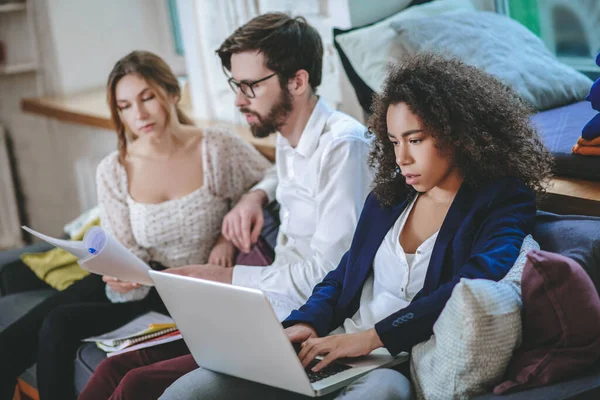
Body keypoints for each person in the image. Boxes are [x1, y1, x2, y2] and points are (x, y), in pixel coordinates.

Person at [159, 53, 553, 399]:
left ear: (458, 135)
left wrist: (369, 339)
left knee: (381, 393)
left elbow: (469, 285)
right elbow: (343, 274)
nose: (402, 158)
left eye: (415, 140)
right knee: (193, 389)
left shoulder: (501, 200)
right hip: (334, 343)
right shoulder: (390, 197)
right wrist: (305, 322)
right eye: (395, 141)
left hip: (391, 363)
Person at [79, 13, 374, 400]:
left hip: (309, 321)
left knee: (137, 383)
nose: (238, 100)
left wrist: (223, 277)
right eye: (236, 85)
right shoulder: (288, 138)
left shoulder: (343, 147)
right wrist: (256, 197)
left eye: (250, 86)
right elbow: (270, 184)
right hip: (266, 307)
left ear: (298, 81)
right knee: (116, 365)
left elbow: (333, 273)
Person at [0, 50, 271, 400]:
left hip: (188, 287)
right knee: (13, 343)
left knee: (60, 324)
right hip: (137, 281)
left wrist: (237, 220)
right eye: (125, 105)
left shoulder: (215, 147)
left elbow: (275, 176)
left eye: (148, 98)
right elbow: (124, 246)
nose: (139, 113)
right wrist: (117, 270)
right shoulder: (114, 168)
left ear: (172, 93)